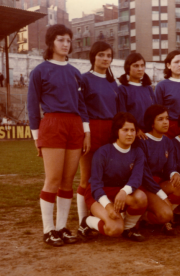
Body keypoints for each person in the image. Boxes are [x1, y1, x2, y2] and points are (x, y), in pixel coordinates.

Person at [27, 24, 90, 247]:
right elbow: (32, 107)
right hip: (53, 124)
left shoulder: (75, 73)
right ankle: (48, 230)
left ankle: (62, 228)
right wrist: (37, 137)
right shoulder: (40, 71)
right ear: (51, 42)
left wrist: (86, 131)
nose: (65, 44)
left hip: (75, 125)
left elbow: (82, 105)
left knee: (67, 181)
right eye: (61, 40)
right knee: (52, 179)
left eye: (68, 40)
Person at [78, 112, 148, 242]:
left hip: (120, 194)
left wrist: (123, 191)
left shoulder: (137, 152)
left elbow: (137, 178)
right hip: (99, 195)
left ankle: (129, 228)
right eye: (125, 130)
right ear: (117, 131)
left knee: (141, 197)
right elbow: (96, 185)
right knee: (114, 229)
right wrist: (108, 207)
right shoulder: (103, 152)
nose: (130, 134)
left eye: (133, 130)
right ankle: (86, 222)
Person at [77, 41, 119, 228]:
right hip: (91, 130)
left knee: (107, 177)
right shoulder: (84, 79)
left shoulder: (113, 83)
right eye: (101, 54)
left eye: (109, 55)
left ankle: (102, 212)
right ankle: (82, 221)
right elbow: (80, 107)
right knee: (86, 178)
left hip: (110, 132)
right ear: (93, 56)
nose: (105, 59)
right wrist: (85, 132)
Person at [136, 105, 180, 235]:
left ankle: (160, 214)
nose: (166, 122)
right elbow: (144, 174)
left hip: (159, 184)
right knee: (165, 215)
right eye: (160, 119)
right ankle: (140, 217)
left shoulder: (167, 141)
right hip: (144, 186)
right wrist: (162, 195)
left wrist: (175, 174)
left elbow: (170, 167)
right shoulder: (142, 141)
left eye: (167, 118)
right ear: (152, 123)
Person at [118, 53, 156, 138]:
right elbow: (123, 114)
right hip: (133, 133)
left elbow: (154, 111)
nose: (140, 69)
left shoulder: (148, 88)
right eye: (136, 66)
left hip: (150, 132)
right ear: (128, 68)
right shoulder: (123, 89)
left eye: (142, 66)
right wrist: (136, 129)